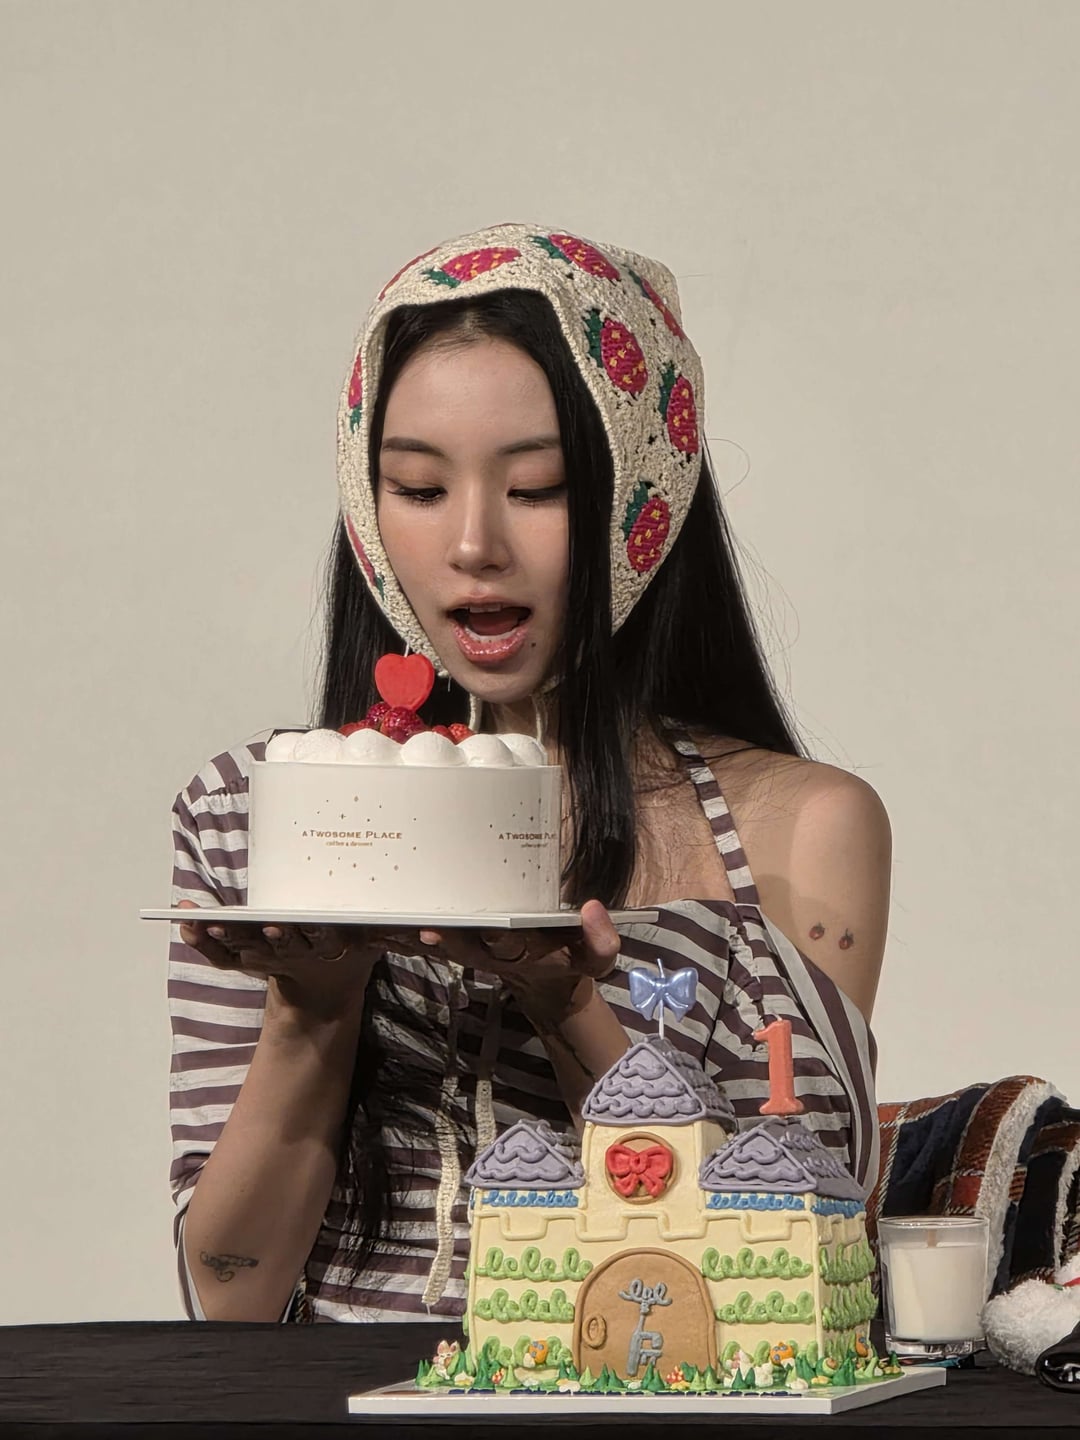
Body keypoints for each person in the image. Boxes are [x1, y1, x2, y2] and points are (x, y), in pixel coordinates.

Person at [170, 222, 891, 1325]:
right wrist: (313, 1009)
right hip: (321, 1400)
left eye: (539, 487)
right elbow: (232, 1297)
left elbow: (778, 1277)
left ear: (643, 503)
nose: (473, 544)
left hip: (632, 1379)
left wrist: (568, 1004)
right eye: (418, 488)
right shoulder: (260, 813)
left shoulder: (803, 824)